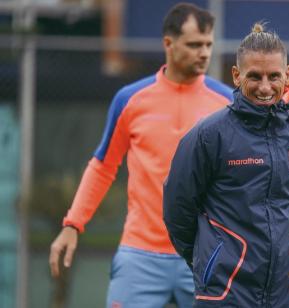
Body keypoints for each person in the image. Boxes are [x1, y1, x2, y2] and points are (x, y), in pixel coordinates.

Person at [48, 3, 233, 307]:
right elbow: (103, 166)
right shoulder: (130, 100)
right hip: (140, 254)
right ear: (168, 44)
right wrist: (72, 224)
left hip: (205, 255)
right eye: (194, 44)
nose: (204, 53)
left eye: (208, 45)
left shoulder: (227, 104)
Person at [163, 23, 289, 307]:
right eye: (254, 76)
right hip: (225, 291)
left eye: (274, 76)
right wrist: (210, 259)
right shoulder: (208, 135)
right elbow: (178, 209)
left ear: (288, 75)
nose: (265, 87)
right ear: (236, 76)